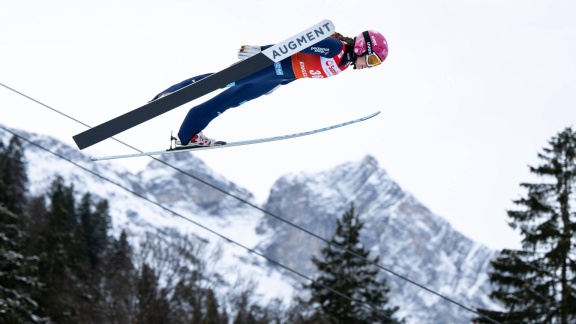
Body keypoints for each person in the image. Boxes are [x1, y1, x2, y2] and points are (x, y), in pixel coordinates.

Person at [150, 30, 388, 148]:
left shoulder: (343, 65)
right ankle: (171, 94)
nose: (369, 67)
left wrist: (280, 83)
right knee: (221, 80)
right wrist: (261, 51)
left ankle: (187, 135)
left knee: (230, 101)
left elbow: (305, 70)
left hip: (276, 78)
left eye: (375, 65)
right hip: (270, 65)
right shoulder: (335, 48)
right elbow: (300, 44)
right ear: (361, 47)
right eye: (372, 60)